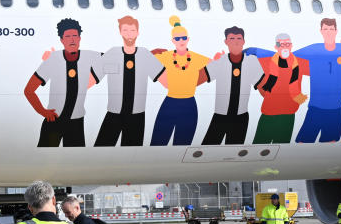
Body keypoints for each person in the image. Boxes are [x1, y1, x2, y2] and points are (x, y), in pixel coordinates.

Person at [24, 18, 99, 147]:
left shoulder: (90, 57)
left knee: (75, 162)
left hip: (76, 124)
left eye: (75, 36)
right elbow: (29, 90)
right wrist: (43, 112)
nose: (72, 40)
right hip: (54, 121)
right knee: (44, 158)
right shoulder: (54, 59)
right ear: (61, 40)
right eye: (68, 36)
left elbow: (116, 57)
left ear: (80, 38)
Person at [91, 16, 163, 147]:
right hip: (114, 114)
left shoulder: (145, 55)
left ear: (138, 32)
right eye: (125, 30)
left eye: (132, 30)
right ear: (120, 32)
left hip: (136, 116)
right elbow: (90, 80)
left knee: (132, 153)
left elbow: (167, 81)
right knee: (101, 149)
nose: (129, 34)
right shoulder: (112, 53)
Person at [150, 16, 211, 146]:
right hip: (170, 102)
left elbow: (214, 64)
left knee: (183, 143)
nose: (181, 41)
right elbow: (148, 58)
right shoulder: (166, 56)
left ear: (188, 39)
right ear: (173, 41)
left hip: (189, 104)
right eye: (177, 38)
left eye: (183, 38)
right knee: (158, 141)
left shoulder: (196, 57)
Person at [201, 27, 263, 145]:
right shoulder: (220, 61)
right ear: (226, 42)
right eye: (232, 38)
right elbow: (196, 80)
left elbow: (264, 90)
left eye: (239, 38)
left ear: (244, 41)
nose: (236, 41)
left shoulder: (252, 62)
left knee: (233, 153)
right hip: (220, 117)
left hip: (240, 118)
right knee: (207, 149)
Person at [251, 34, 307, 144]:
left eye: (288, 44)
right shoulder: (265, 62)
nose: (285, 47)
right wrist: (264, 92)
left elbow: (321, 67)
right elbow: (248, 68)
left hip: (288, 115)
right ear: (276, 47)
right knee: (259, 146)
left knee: (281, 147)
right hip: (268, 114)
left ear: (291, 46)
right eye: (282, 44)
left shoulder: (299, 63)